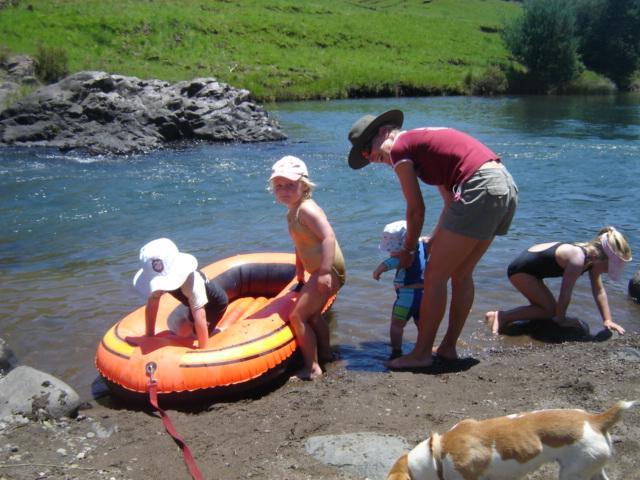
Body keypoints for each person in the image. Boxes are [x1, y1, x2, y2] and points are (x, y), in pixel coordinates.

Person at [347, 109, 518, 370]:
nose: (370, 158)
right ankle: (447, 348)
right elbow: (450, 203)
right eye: (364, 156)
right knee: (461, 273)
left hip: (480, 186)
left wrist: (407, 250)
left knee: (434, 277)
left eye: (366, 150)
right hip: (503, 185)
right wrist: (432, 239)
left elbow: (416, 210)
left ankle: (421, 353)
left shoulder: (399, 148)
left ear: (383, 132)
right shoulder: (423, 144)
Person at [269, 155, 346, 380]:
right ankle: (326, 354)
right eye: (279, 186)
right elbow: (300, 245)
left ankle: (312, 368)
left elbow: (328, 237)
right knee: (312, 316)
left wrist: (323, 273)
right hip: (321, 269)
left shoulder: (306, 209)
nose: (284, 190)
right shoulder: (291, 212)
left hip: (329, 269)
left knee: (298, 316)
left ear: (304, 185)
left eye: (290, 185)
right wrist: (300, 273)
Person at [486, 226, 632, 335]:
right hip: (521, 271)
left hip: (534, 271)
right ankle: (502, 316)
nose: (608, 271)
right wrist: (561, 319)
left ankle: (504, 316)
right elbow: (565, 292)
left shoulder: (592, 261)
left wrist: (607, 320)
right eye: (609, 267)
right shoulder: (578, 258)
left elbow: (598, 290)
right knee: (550, 311)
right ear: (602, 258)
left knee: (545, 310)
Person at [132, 237, 228, 349]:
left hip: (214, 305)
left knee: (195, 336)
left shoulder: (191, 282)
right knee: (188, 326)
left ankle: (217, 332)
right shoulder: (156, 278)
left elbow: (200, 317)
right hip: (190, 302)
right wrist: (149, 335)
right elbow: (152, 304)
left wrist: (202, 350)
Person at [373, 220, 430, 360]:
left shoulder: (403, 257)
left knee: (397, 325)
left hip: (406, 297)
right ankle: (424, 347)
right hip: (424, 294)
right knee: (421, 323)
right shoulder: (422, 246)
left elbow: (386, 264)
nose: (391, 253)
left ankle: (396, 351)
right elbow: (426, 239)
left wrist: (377, 272)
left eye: (392, 249)